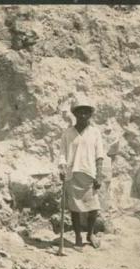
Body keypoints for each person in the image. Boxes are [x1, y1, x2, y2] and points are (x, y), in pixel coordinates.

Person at [58, 95, 104, 248]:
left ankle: (90, 234)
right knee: (75, 209)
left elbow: (100, 155)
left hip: (90, 175)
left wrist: (99, 174)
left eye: (86, 112)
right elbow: (63, 154)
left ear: (90, 114)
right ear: (75, 114)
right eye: (80, 112)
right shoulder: (68, 133)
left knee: (93, 208)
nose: (83, 115)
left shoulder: (95, 133)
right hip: (73, 175)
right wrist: (62, 168)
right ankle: (77, 236)